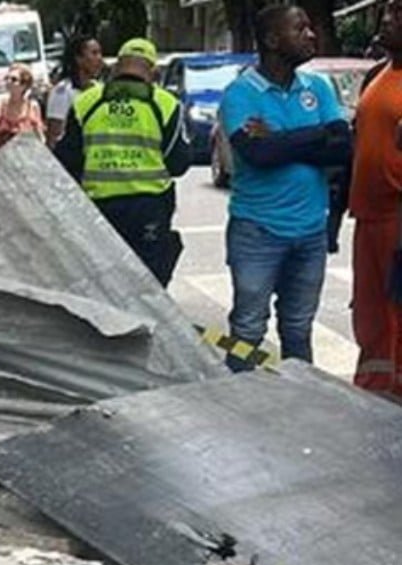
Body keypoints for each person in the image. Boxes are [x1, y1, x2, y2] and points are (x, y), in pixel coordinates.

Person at [218, 6, 352, 372]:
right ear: (272, 40)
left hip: (310, 231)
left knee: (298, 328)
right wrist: (319, 134)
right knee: (247, 329)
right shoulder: (240, 93)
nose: (311, 34)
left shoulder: (318, 87)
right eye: (300, 28)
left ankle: (299, 399)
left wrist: (280, 138)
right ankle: (236, 396)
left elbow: (343, 147)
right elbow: (259, 154)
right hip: (257, 231)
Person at [55, 38, 190, 287]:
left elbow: (66, 160)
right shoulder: (166, 105)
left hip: (98, 209)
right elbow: (179, 163)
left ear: (117, 67)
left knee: (105, 284)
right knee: (149, 285)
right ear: (153, 72)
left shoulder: (86, 102)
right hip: (149, 208)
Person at [349, 0, 402, 398]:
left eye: (399, 13)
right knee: (370, 313)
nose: (386, 19)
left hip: (398, 215)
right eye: (386, 11)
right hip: (369, 215)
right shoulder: (376, 74)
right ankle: (373, 389)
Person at [46, 35, 104, 147]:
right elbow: (54, 135)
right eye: (94, 53)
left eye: (100, 53)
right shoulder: (62, 92)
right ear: (79, 59)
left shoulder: (100, 89)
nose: (100, 58)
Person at [0, 63, 44, 157]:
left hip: (26, 159)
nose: (8, 82)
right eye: (6, 78)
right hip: (4, 159)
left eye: (14, 79)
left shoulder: (32, 107)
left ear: (24, 85)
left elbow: (40, 137)